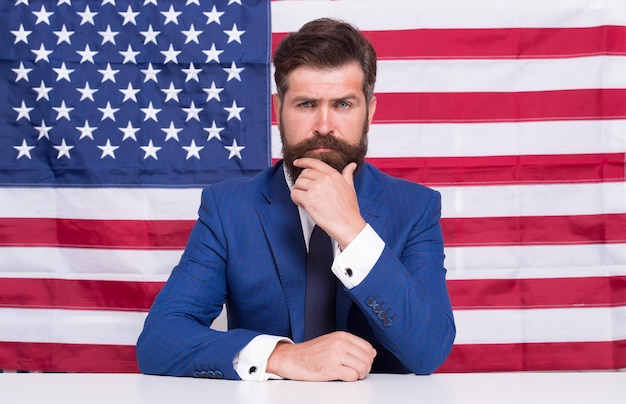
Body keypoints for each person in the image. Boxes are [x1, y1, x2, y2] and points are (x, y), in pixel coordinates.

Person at [136, 17, 455, 382]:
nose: (323, 125)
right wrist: (283, 357)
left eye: (343, 105)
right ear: (278, 111)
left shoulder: (415, 208)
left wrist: (353, 230)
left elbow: (429, 350)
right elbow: (159, 341)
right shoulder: (228, 209)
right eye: (305, 104)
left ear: (371, 112)